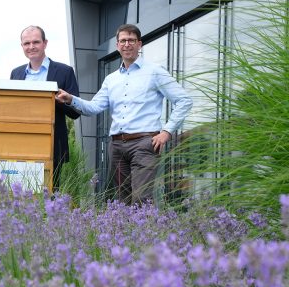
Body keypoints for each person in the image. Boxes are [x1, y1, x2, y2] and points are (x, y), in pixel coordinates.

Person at [56, 24, 192, 205]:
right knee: (123, 201)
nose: (127, 44)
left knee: (142, 199)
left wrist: (166, 132)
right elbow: (94, 107)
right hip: (117, 146)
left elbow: (184, 100)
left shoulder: (155, 72)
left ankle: (147, 233)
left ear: (139, 44)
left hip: (145, 144)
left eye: (131, 40)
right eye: (123, 41)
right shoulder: (111, 79)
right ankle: (128, 234)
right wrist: (70, 99)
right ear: (118, 45)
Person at [9, 25, 80, 191]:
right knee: (19, 194)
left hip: (52, 144)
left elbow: (75, 112)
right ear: (22, 46)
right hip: (20, 143)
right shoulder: (16, 74)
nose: (31, 47)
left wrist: (59, 101)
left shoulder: (64, 71)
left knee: (50, 193)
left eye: (36, 42)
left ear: (45, 43)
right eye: (26, 43)